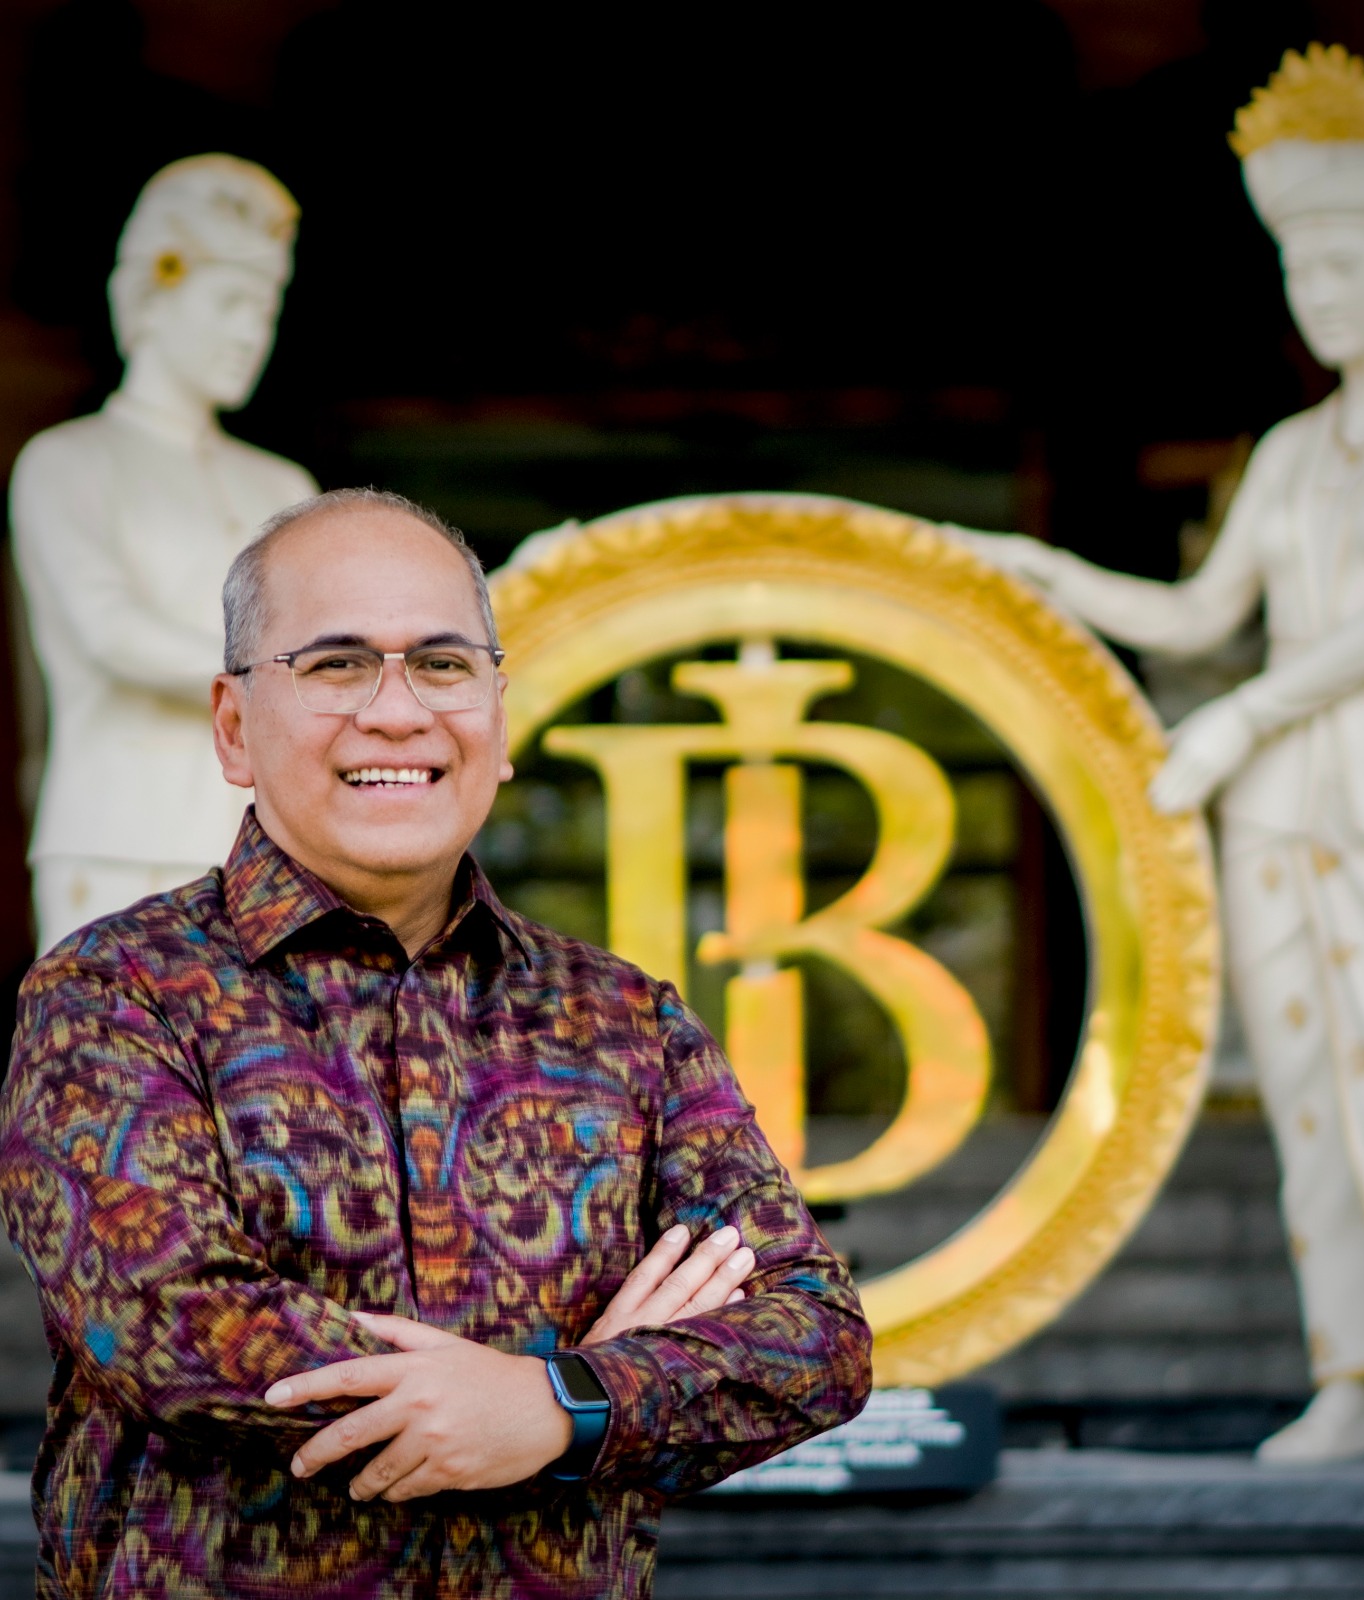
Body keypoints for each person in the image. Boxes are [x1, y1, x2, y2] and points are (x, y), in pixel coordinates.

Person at [0, 487, 872, 1597]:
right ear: (233, 727)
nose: (398, 712)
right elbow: (172, 1327)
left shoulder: (628, 1023)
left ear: (498, 719)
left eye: (443, 664)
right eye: (337, 665)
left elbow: (816, 1336)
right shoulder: (113, 995)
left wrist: (561, 1405)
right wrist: (571, 1389)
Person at [953, 44, 1364, 1465]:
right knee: (1311, 1099)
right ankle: (1352, 1376)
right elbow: (1201, 614)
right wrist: (1038, 569)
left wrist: (1248, 714)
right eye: (1300, 269)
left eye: (1343, 265)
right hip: (1276, 802)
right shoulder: (1291, 455)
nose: (1318, 294)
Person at [10, 154, 317, 953]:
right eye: (230, 302)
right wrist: (295, 673)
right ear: (157, 291)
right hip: (120, 838)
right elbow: (112, 633)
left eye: (265, 309)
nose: (250, 332)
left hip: (267, 850)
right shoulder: (68, 463)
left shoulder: (280, 483)